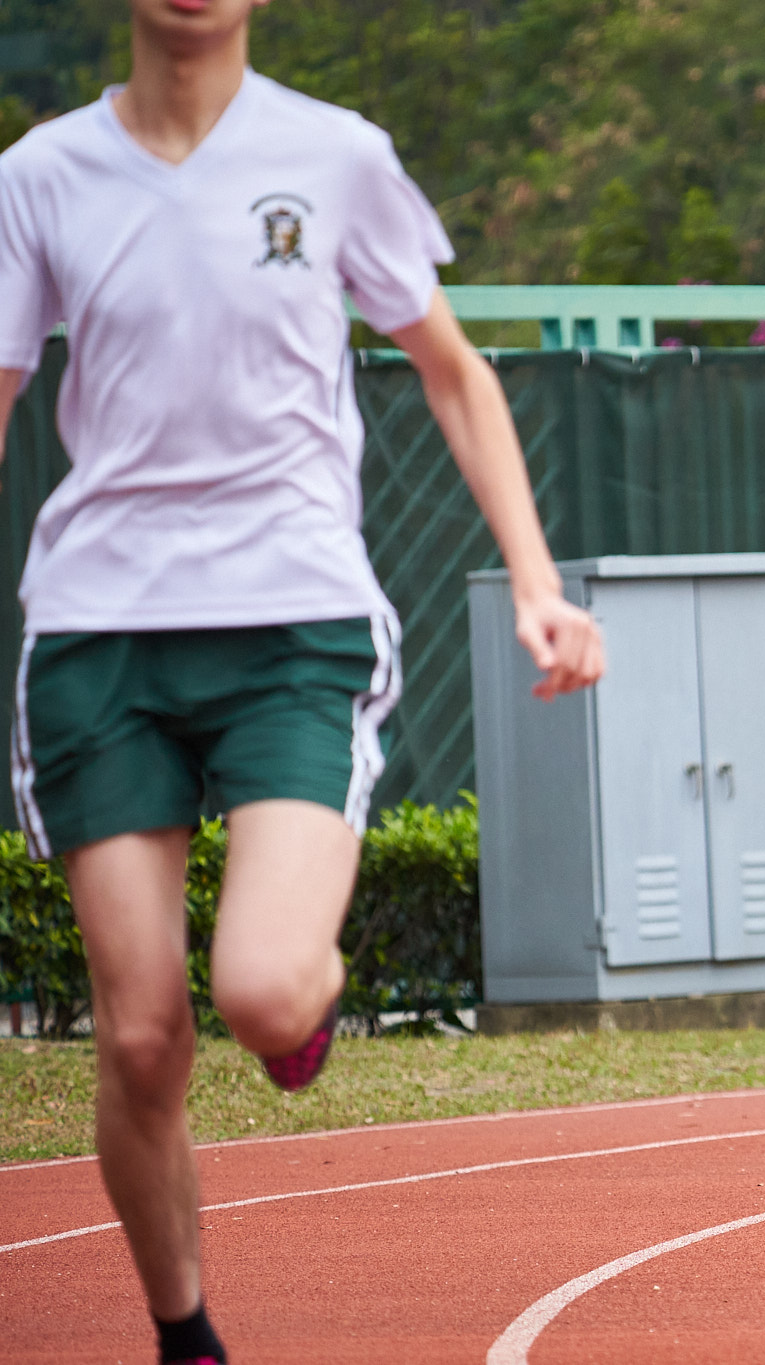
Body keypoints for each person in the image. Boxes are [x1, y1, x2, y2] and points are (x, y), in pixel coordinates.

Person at [0, 2, 604, 1360]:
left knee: (265, 991)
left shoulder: (334, 155)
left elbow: (452, 373)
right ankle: (187, 1335)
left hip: (293, 621)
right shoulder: (39, 177)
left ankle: (299, 1013)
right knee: (140, 1036)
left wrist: (537, 581)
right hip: (100, 631)